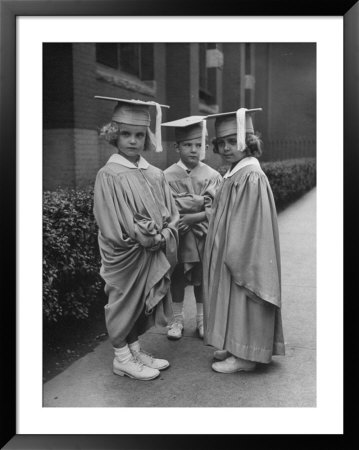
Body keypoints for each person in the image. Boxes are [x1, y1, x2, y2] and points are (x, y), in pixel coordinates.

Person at [93, 96, 179, 381]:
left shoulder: (153, 173)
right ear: (114, 135)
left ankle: (134, 351)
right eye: (126, 134)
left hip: (150, 250)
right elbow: (111, 223)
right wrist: (147, 238)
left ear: (147, 137)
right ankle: (121, 359)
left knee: (139, 302)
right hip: (125, 252)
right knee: (123, 301)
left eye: (139, 135)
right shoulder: (109, 174)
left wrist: (164, 233)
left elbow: (171, 212)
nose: (133, 141)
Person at [202, 107, 285, 373]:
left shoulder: (251, 175)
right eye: (221, 143)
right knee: (232, 295)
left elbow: (249, 223)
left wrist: (230, 249)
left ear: (247, 142)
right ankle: (236, 344)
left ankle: (247, 356)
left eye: (232, 141)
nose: (226, 148)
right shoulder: (236, 172)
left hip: (243, 251)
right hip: (231, 247)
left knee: (244, 291)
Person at [162, 116, 222, 340]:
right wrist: (198, 203)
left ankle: (201, 319)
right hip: (178, 236)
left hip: (202, 236)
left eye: (198, 145)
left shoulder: (212, 175)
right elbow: (165, 208)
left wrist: (191, 214)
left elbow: (215, 208)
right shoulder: (165, 176)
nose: (193, 150)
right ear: (176, 146)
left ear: (205, 147)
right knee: (177, 276)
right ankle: (176, 320)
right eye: (187, 145)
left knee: (201, 277)